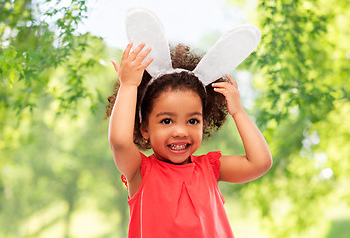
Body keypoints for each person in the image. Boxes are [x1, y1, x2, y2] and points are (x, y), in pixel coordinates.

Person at [106, 41, 272, 237]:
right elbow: (120, 141)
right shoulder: (139, 171)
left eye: (192, 120)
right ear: (145, 130)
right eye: (167, 121)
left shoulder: (209, 168)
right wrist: (129, 85)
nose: (180, 131)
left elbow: (260, 162)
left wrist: (238, 112)